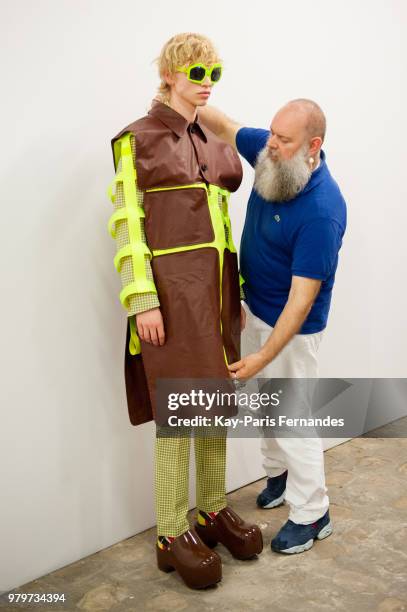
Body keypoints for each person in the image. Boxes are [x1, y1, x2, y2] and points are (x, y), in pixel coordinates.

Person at [106, 32, 262, 590]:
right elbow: (128, 221)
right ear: (170, 73)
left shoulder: (216, 145)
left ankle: (212, 509)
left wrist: (235, 296)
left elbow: (225, 224)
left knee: (214, 403)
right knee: (178, 415)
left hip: (216, 295)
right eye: (197, 73)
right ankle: (171, 533)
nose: (206, 85)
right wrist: (142, 298)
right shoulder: (137, 140)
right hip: (169, 296)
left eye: (214, 75)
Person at [199, 99, 347, 554]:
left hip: (293, 329)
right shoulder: (272, 151)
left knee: (291, 418)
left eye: (284, 140)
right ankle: (278, 475)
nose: (271, 145)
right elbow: (224, 124)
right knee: (267, 407)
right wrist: (184, 96)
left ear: (313, 146)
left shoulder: (322, 209)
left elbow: (300, 302)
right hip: (256, 308)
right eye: (272, 135)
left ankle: (312, 511)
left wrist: (264, 353)